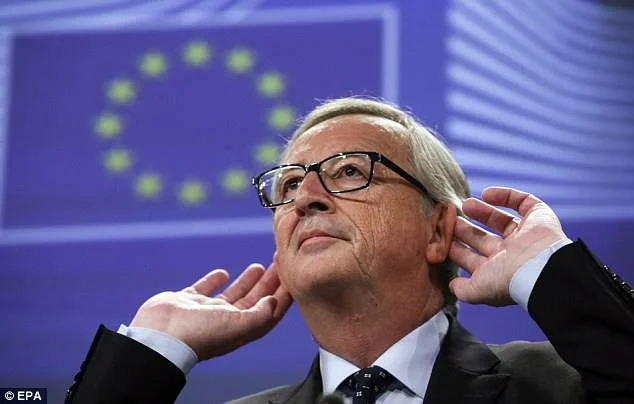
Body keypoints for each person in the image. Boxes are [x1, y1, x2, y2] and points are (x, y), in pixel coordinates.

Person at [66, 97, 634, 404]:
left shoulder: (564, 385)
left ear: (438, 231)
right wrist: (153, 350)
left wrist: (549, 272)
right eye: (289, 184)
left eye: (349, 172)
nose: (305, 197)